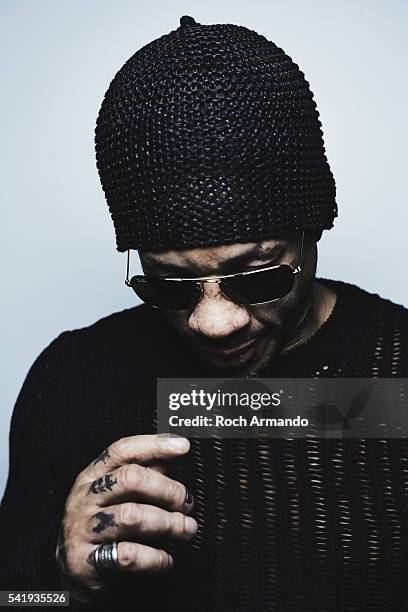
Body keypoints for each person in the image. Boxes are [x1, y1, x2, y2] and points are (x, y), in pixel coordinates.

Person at [1, 15, 408, 611]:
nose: (213, 324)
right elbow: (15, 600)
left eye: (260, 276)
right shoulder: (75, 379)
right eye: (171, 285)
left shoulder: (398, 363)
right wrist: (55, 576)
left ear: (312, 233)